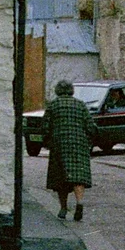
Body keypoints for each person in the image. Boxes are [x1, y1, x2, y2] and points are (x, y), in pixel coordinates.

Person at [43, 79, 94, 221]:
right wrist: (90, 139)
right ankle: (79, 203)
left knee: (61, 179)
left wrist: (47, 141)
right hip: (79, 144)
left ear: (57, 91)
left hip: (59, 145)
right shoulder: (80, 105)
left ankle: (63, 208)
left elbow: (45, 127)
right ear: (72, 90)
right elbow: (90, 126)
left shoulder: (53, 105)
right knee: (78, 177)